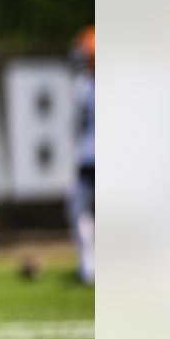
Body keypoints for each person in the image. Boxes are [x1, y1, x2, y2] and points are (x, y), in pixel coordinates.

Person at [68, 26, 94, 286]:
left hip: (92, 155)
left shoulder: (84, 86)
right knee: (77, 209)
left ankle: (89, 267)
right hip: (89, 157)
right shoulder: (84, 85)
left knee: (79, 209)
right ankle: (88, 267)